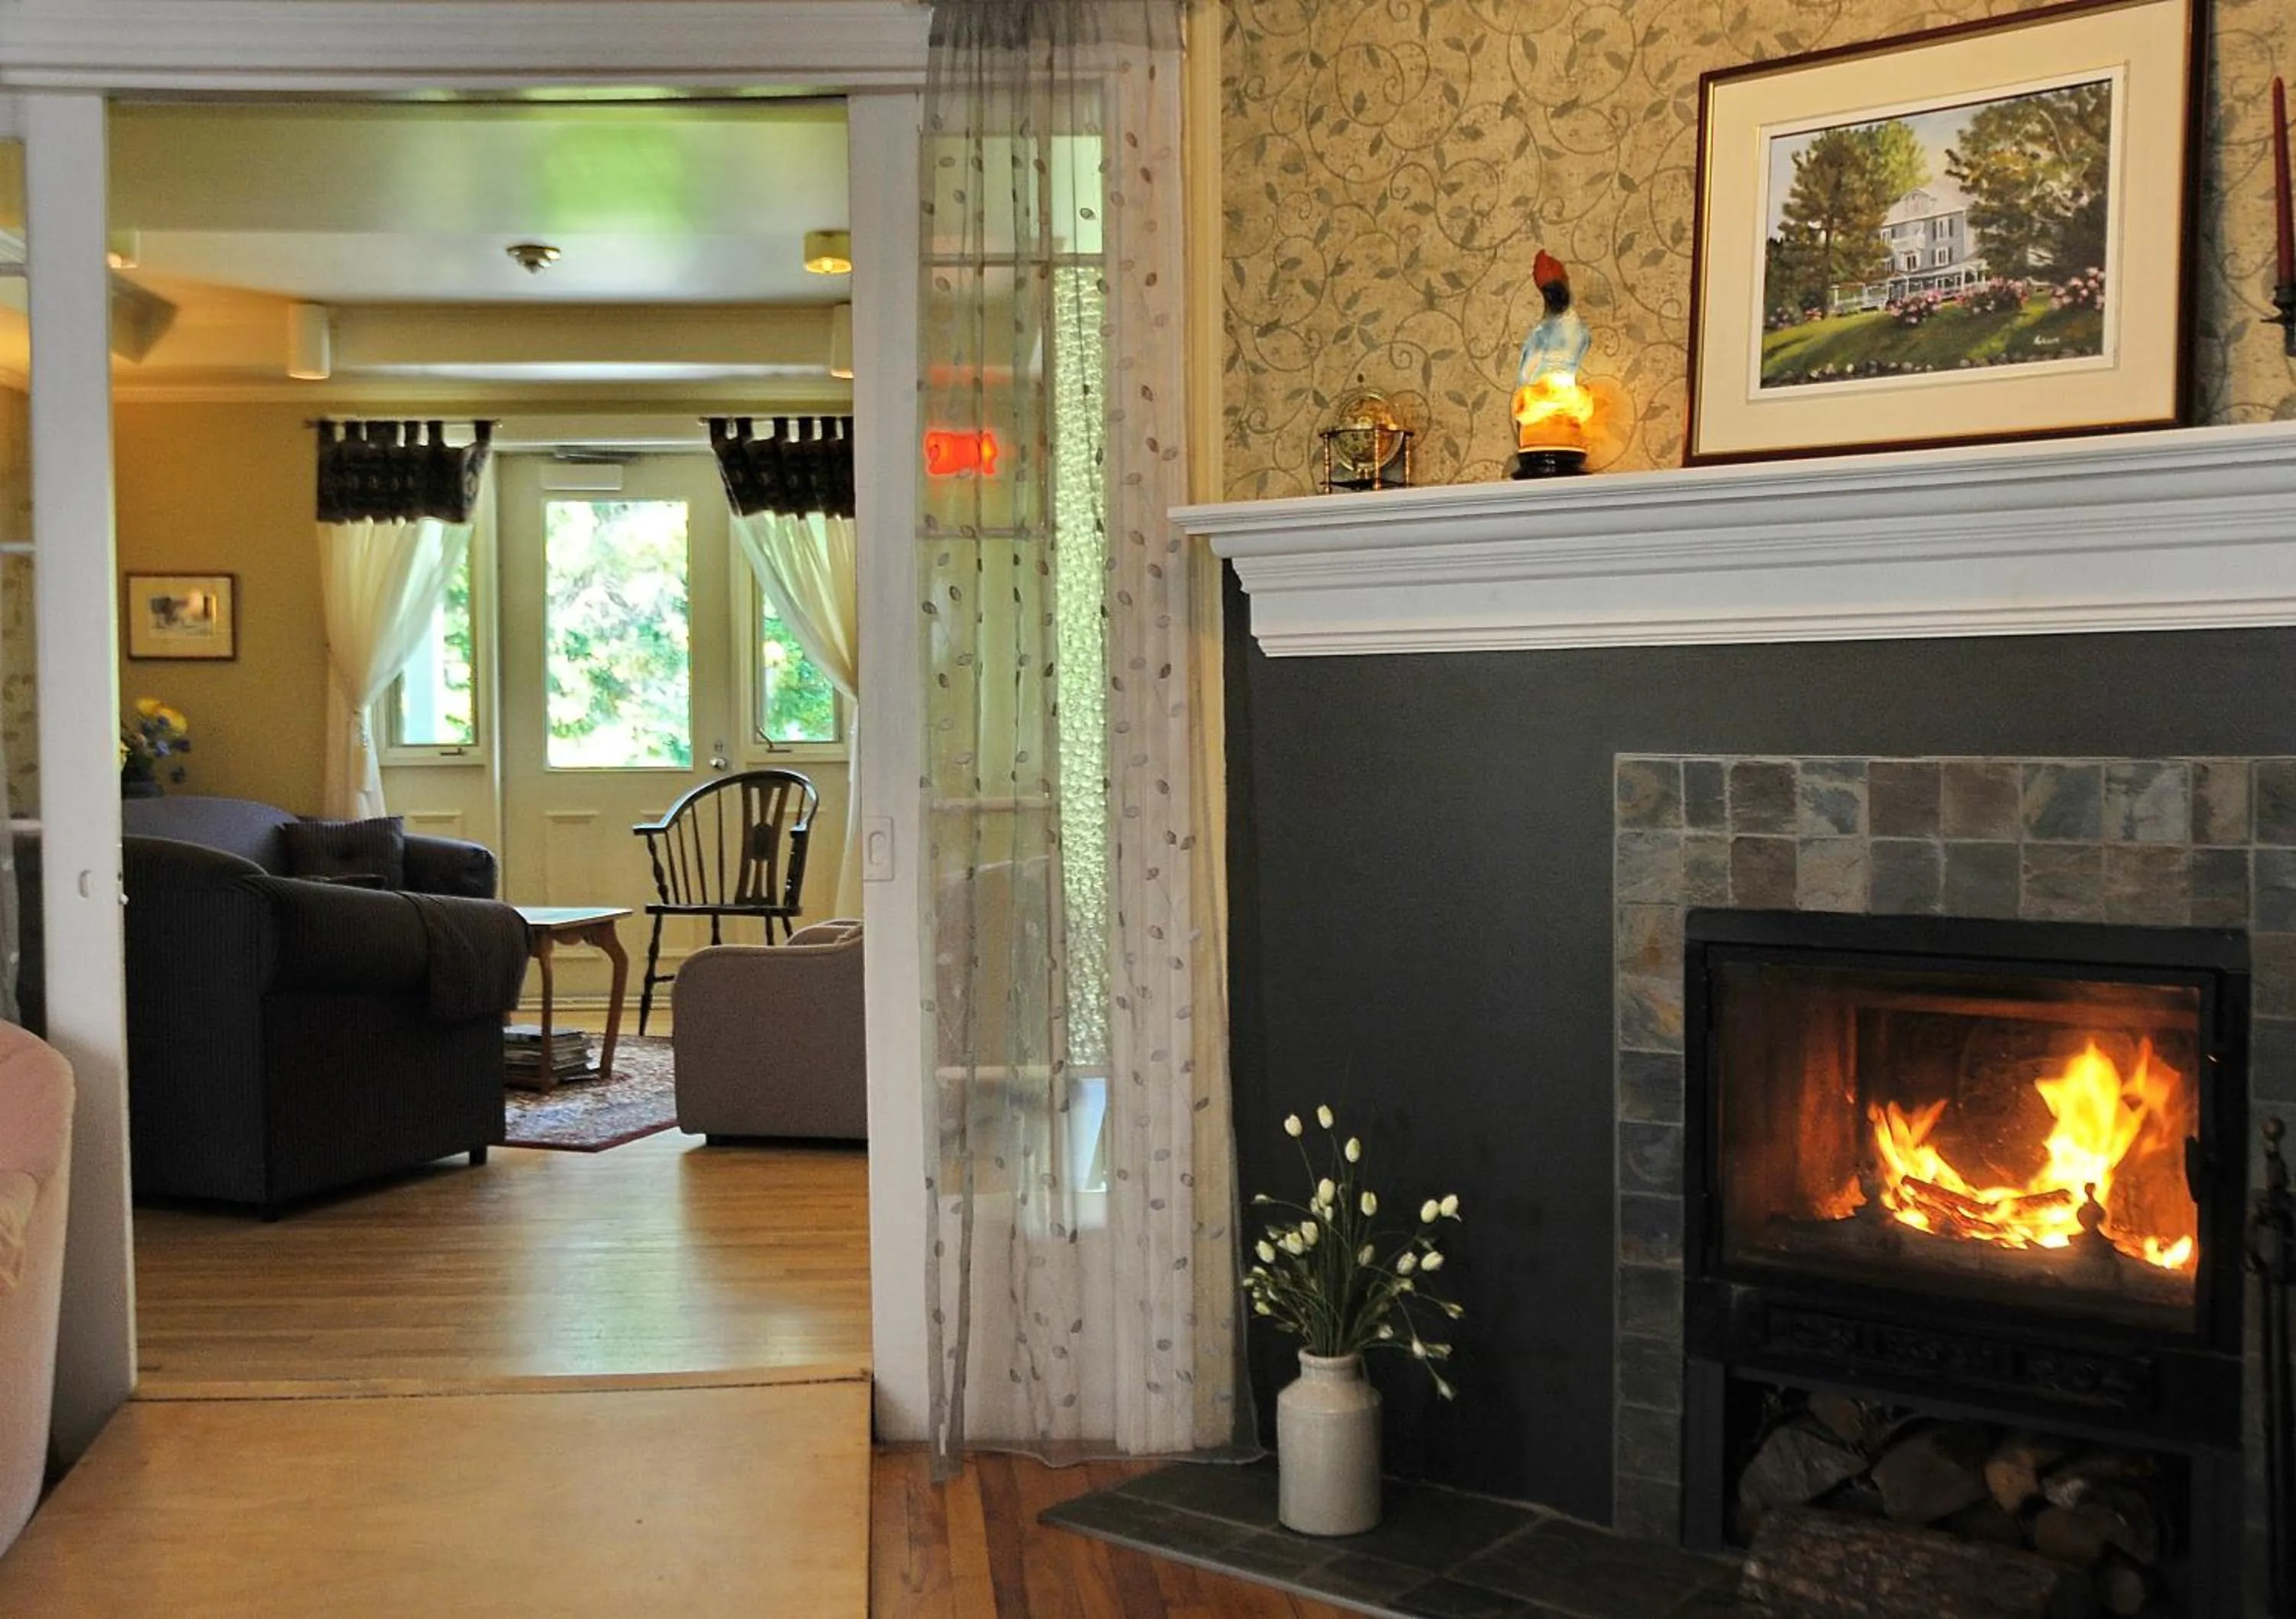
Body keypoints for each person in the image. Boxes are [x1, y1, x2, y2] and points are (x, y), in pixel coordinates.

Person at [1512, 250, 1594, 457]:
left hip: (1566, 408)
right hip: (1538, 406)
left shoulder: (1582, 334)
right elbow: (1525, 379)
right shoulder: (1541, 334)